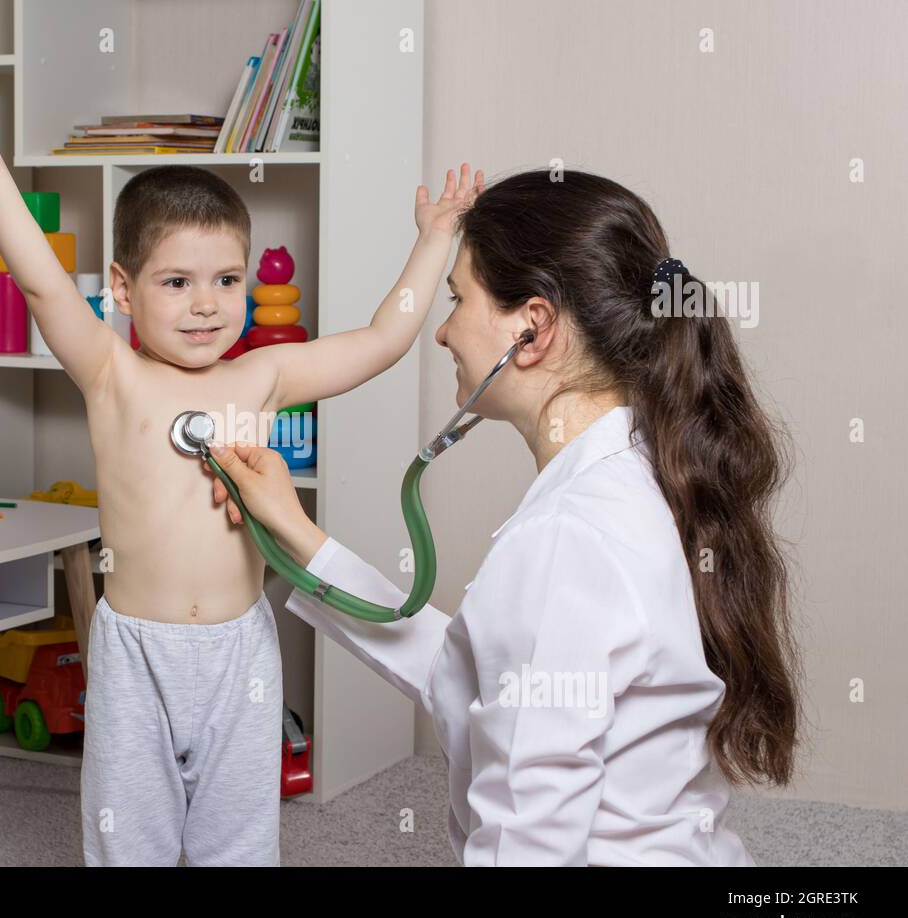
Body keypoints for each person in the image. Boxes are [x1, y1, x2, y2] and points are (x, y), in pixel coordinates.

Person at [0, 87, 484, 865]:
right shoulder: (112, 374)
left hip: (239, 649)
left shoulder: (262, 376)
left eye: (227, 280)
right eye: (176, 282)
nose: (206, 305)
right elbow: (43, 281)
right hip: (134, 651)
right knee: (129, 836)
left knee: (239, 837)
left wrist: (435, 239)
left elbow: (383, 340)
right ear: (123, 290)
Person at [205, 169, 801, 866]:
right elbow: (472, 673)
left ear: (532, 328)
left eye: (459, 298)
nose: (443, 332)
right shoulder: (646, 469)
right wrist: (296, 533)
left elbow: (528, 840)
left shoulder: (567, 538)